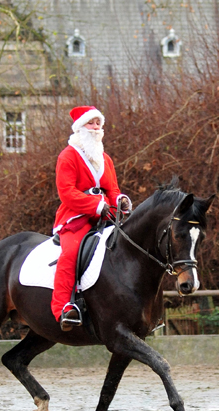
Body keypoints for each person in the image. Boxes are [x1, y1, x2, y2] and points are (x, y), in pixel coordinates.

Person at [51, 105, 132, 331]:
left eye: (98, 123)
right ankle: (64, 308)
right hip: (75, 216)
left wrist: (120, 201)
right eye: (91, 123)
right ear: (80, 128)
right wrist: (96, 205)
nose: (96, 128)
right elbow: (66, 192)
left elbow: (112, 189)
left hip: (106, 217)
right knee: (70, 252)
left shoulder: (105, 159)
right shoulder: (67, 156)